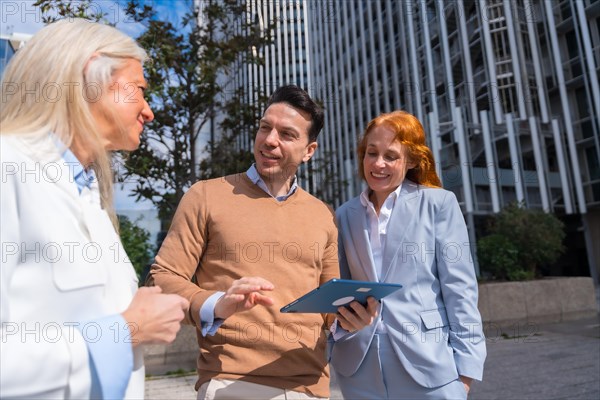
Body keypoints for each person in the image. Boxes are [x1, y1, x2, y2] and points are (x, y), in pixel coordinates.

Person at [0, 19, 189, 399]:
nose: (149, 111)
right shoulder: (8, 169)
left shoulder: (92, 201)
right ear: (92, 75)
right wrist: (125, 330)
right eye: (138, 89)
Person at [148, 85, 339, 400]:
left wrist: (353, 315)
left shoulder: (323, 215)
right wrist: (217, 304)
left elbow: (329, 306)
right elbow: (162, 278)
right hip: (231, 382)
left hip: (311, 388)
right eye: (265, 127)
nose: (269, 140)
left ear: (309, 151)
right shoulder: (205, 196)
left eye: (287, 134)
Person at [329, 111, 486, 399]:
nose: (378, 164)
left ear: (412, 160)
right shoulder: (345, 215)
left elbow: (460, 289)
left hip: (428, 363)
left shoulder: (439, 204)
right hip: (359, 368)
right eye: (371, 153)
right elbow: (342, 290)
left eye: (391, 156)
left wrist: (466, 371)